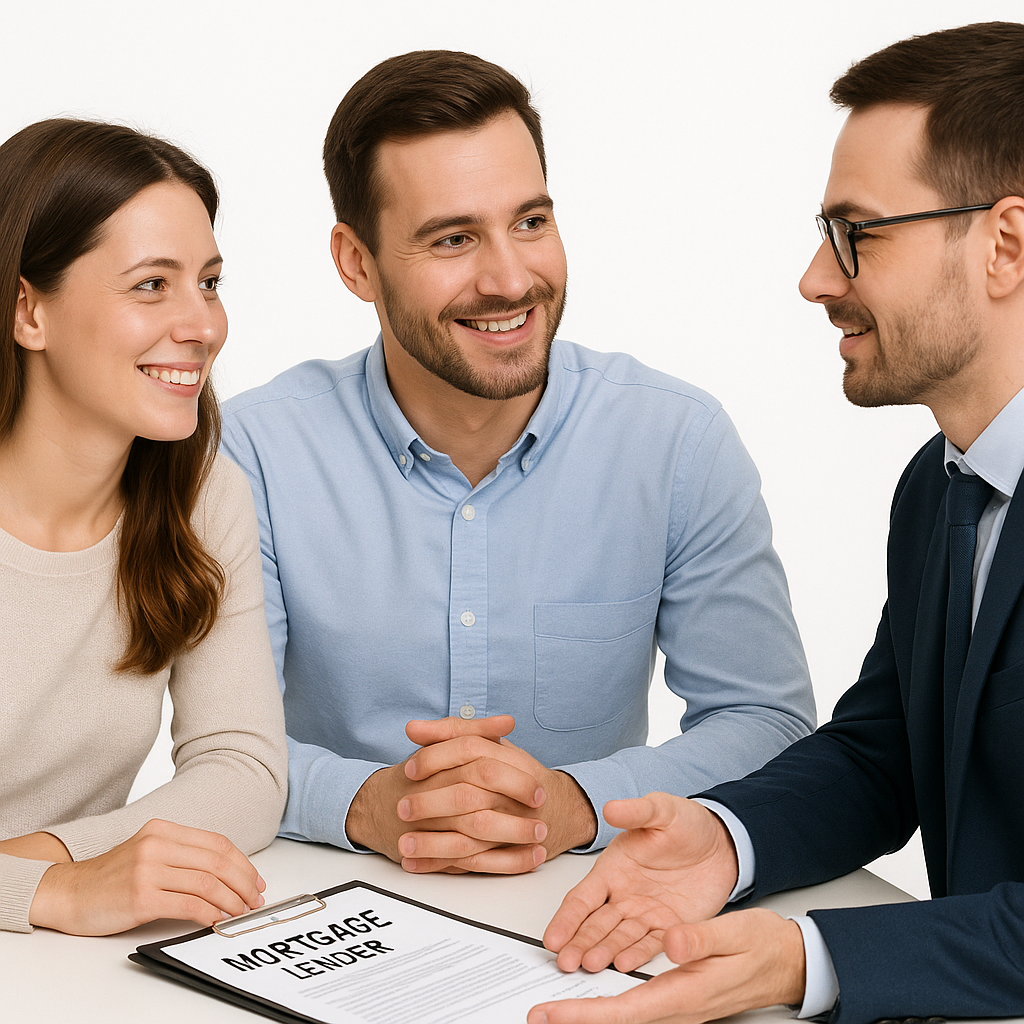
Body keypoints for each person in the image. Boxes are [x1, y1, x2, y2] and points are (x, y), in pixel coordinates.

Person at [528, 20, 1024, 1024]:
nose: (815, 278)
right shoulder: (940, 489)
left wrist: (806, 957)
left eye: (857, 234)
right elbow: (880, 755)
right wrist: (726, 837)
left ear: (1005, 245)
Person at [221, 50, 814, 876]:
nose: (509, 278)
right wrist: (363, 803)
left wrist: (571, 803)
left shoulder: (675, 440)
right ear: (356, 263)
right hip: (331, 905)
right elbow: (220, 745)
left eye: (531, 222)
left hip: (591, 907)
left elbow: (765, 722)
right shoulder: (252, 452)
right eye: (453, 238)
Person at [0, 119, 288, 936]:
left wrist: (56, 858)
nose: (203, 326)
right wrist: (54, 892)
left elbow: (243, 771)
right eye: (152, 285)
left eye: (210, 281)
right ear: (28, 310)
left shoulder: (202, 495)